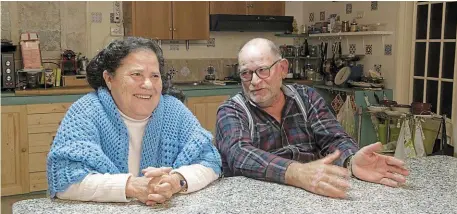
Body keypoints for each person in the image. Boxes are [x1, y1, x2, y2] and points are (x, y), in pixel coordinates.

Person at [215, 38, 409, 199]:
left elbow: (333, 138)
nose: (254, 81)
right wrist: (297, 173)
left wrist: (351, 160)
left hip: (313, 195)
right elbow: (239, 154)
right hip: (255, 200)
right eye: (246, 74)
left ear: (283, 68)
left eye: (262, 70)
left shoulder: (306, 98)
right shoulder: (231, 111)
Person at [47, 37, 222, 206]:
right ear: (109, 79)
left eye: (154, 76)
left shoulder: (174, 110)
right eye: (136, 74)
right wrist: (132, 186)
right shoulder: (86, 111)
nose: (148, 84)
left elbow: (210, 162)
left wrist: (176, 181)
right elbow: (64, 181)